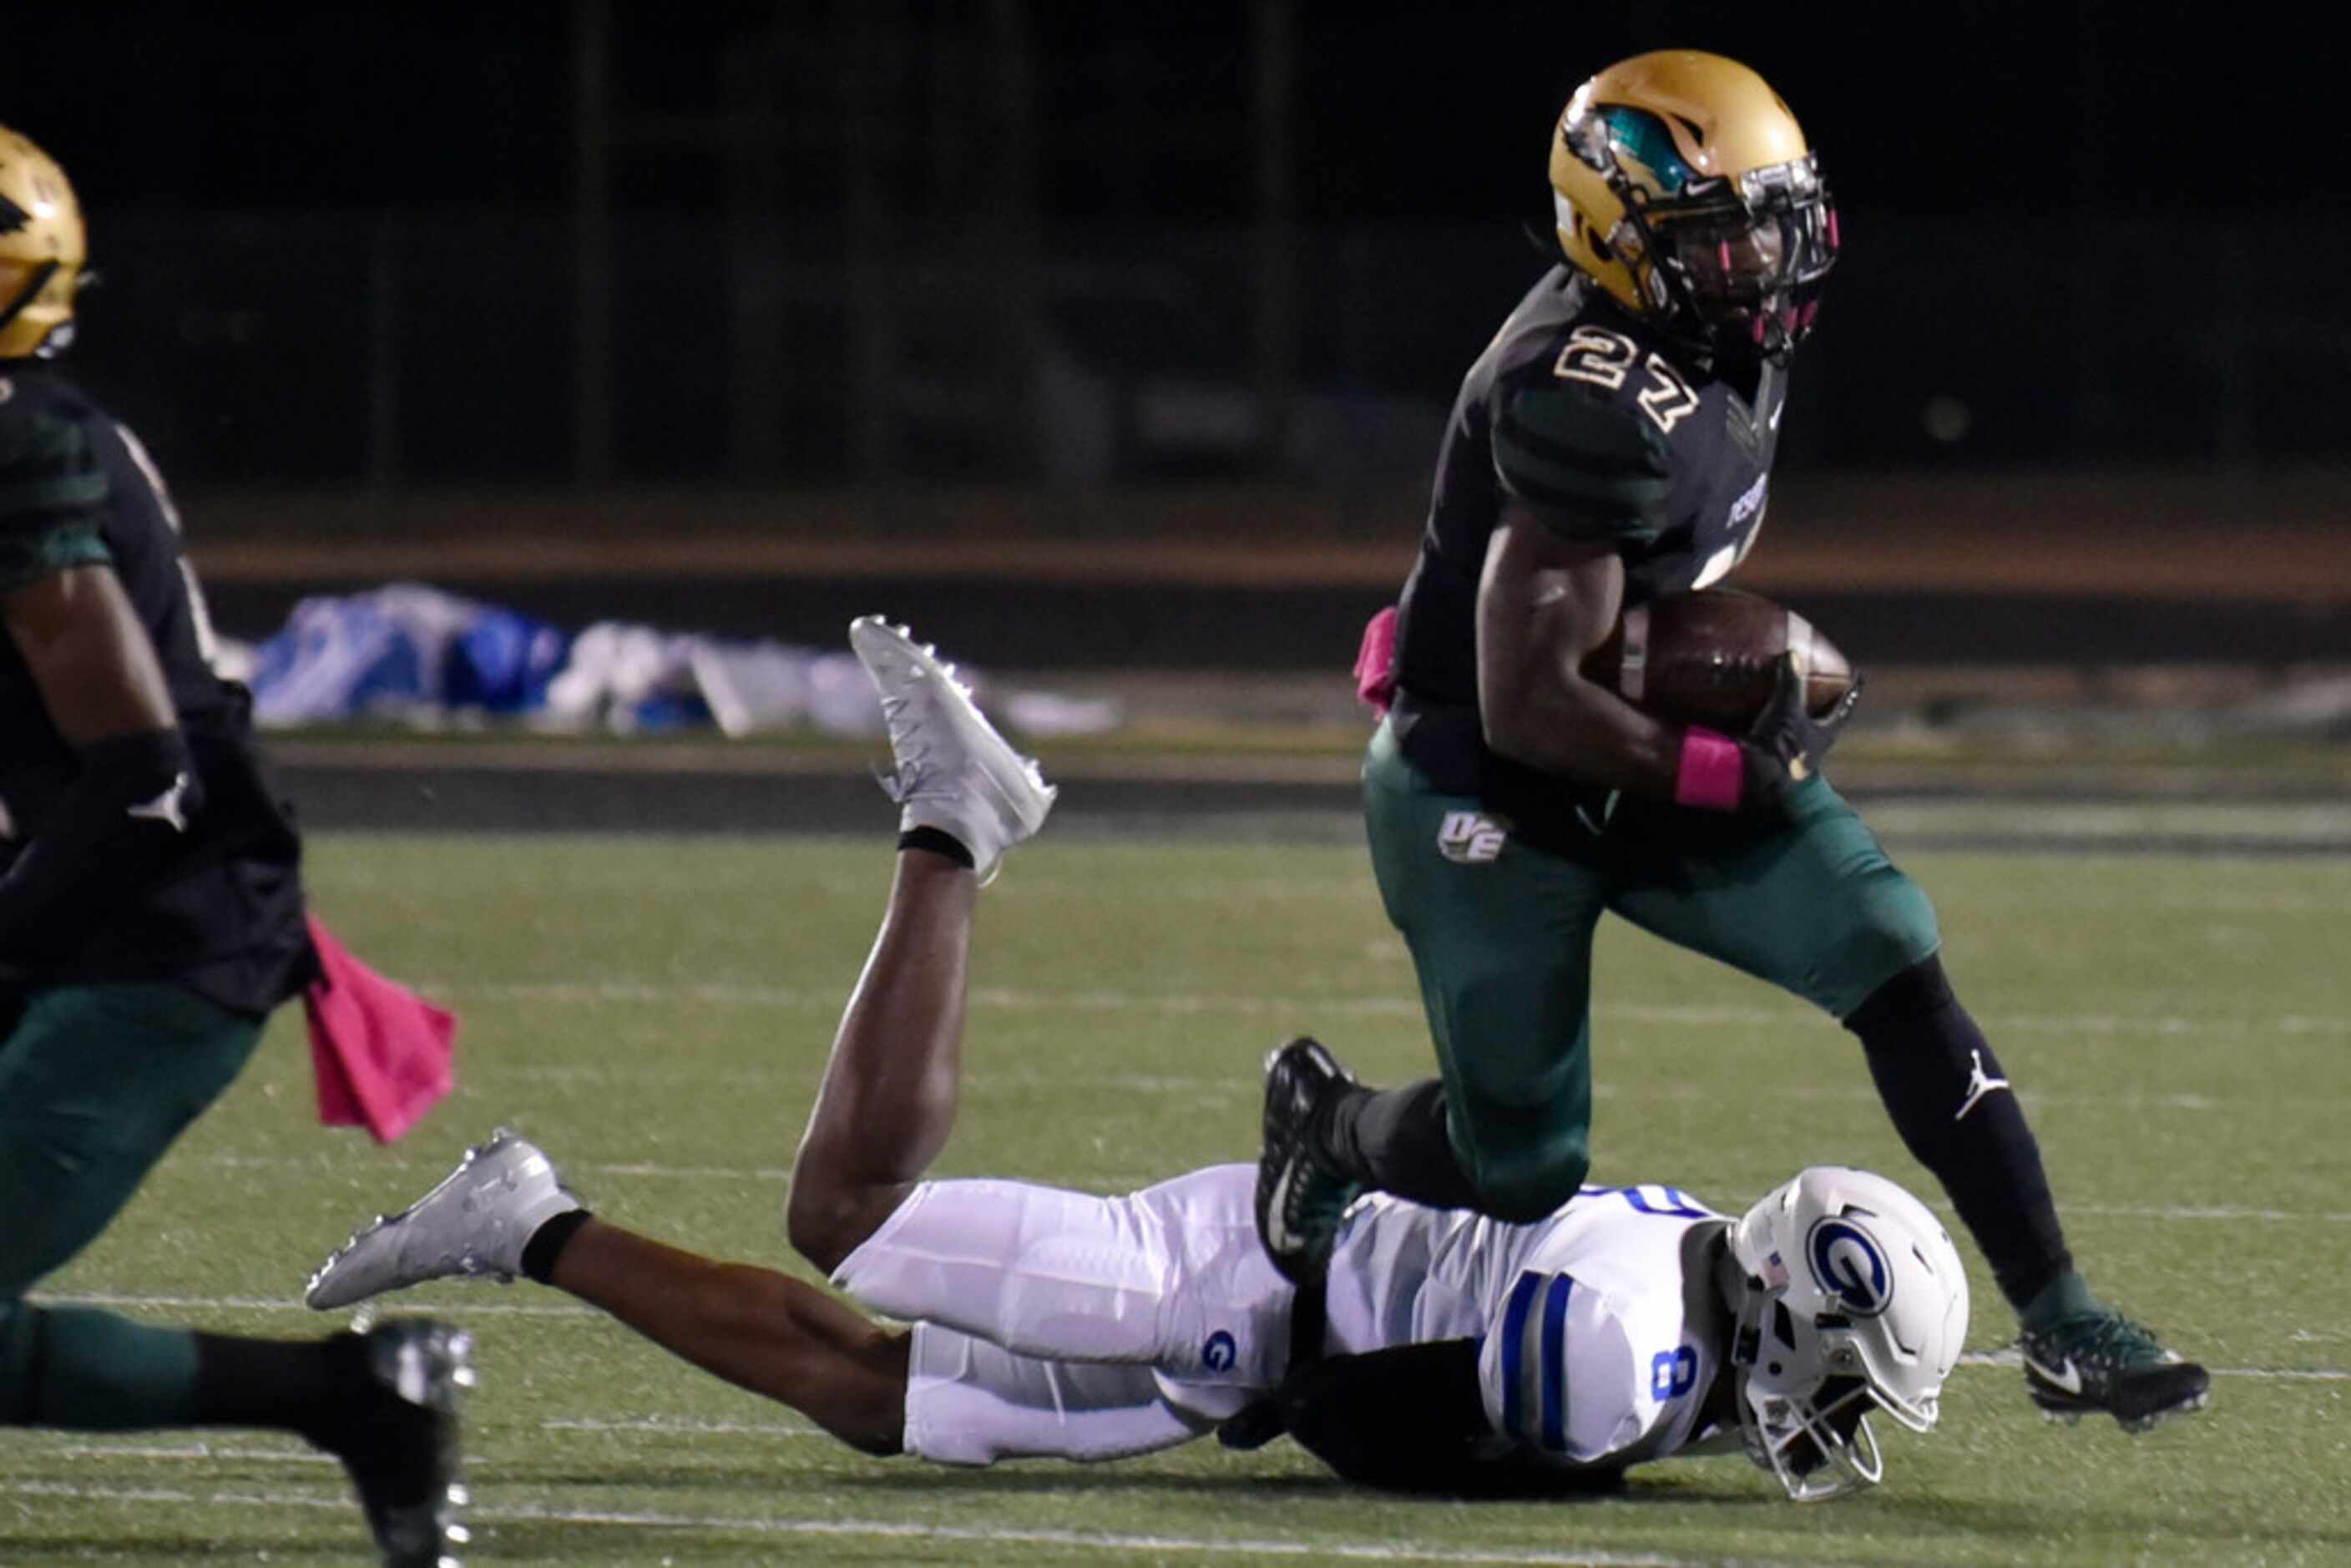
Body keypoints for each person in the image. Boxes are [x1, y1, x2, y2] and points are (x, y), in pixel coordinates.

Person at [304, 617, 1969, 1501]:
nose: (1836, 1415)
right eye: (1847, 1369)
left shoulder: (1669, 1307)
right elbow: (1398, 1436)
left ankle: (524, 1221)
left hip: (1266, 1317)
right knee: (847, 1214)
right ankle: (954, 820)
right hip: (1233, 1285)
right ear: (1785, 1306)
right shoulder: (1615, 1351)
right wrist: (1286, 1386)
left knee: (884, 1403)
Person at [1248, 49, 2208, 1433]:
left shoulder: (1712, 339)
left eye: (1772, 221)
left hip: (1614, 738)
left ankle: (2062, 1315)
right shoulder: (1585, 392)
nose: (1761, 260)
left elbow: (1625, 601)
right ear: (1619, 237)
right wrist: (1714, 763)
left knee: (1887, 936)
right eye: (1720, 235)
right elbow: (1530, 698)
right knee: (1518, 1161)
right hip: (1494, 787)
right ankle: (1327, 1124)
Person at [0, 124, 468, 1566]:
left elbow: (142, 769)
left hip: (153, 945)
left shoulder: (15, 443)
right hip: (98, 917)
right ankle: (356, 1395)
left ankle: (351, 1395)